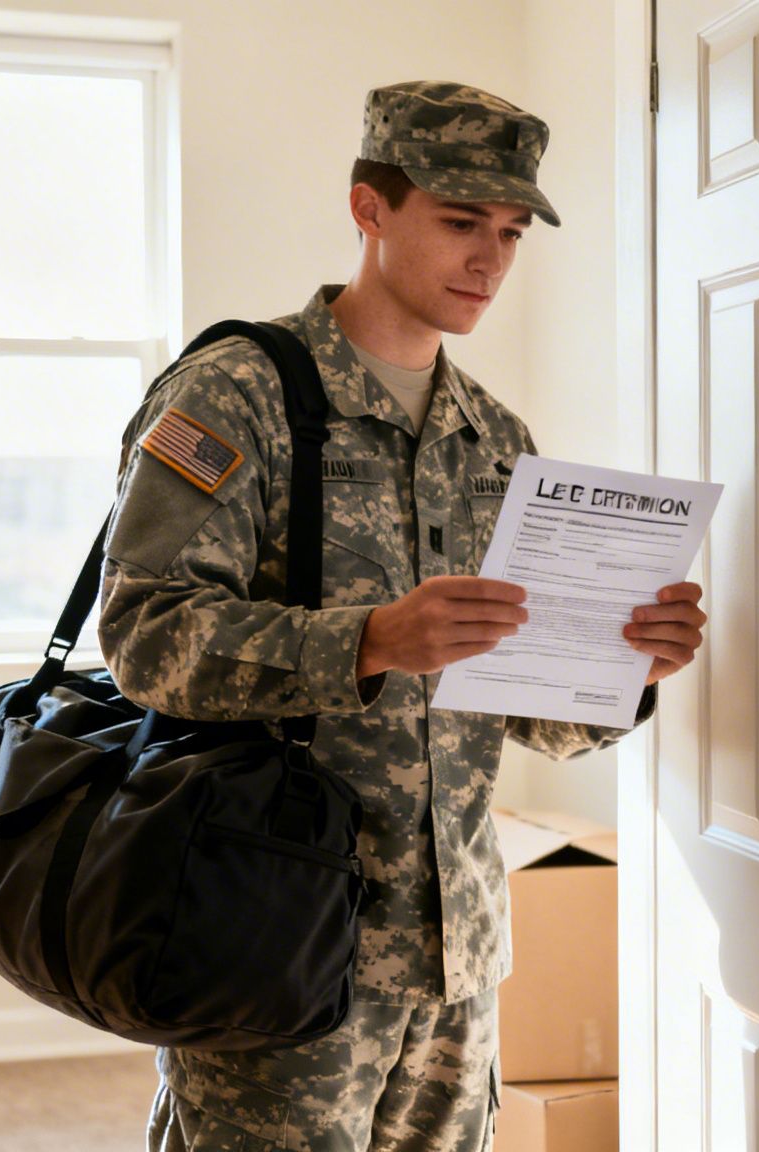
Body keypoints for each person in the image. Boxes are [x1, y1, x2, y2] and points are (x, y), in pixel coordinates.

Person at [99, 80, 707, 1152]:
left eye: (511, 233)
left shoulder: (496, 439)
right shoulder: (237, 392)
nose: (490, 259)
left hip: (455, 956)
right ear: (368, 208)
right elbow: (146, 637)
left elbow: (533, 718)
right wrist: (371, 640)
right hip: (277, 936)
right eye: (460, 221)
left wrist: (625, 669)